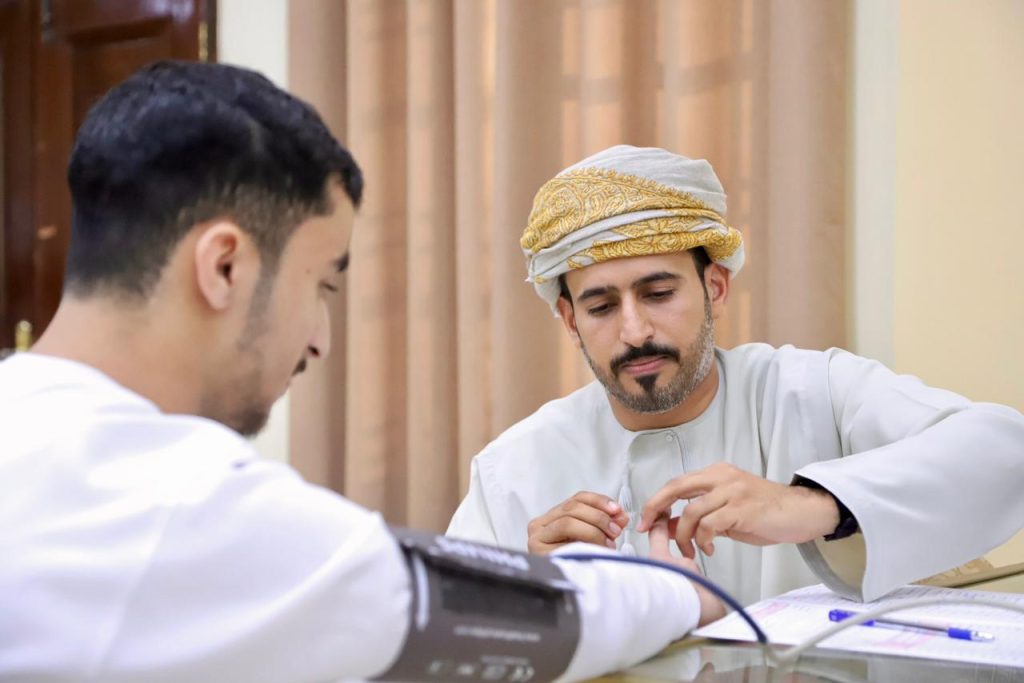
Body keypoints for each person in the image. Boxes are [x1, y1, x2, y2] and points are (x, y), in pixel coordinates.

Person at [0, 65, 725, 682]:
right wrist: (678, 591)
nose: (319, 340)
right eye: (321, 284)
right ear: (223, 267)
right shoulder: (173, 503)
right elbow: (430, 602)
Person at [447, 144, 1024, 606]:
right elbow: (442, 644)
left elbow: (1004, 452)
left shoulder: (811, 391)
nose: (634, 331)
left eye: (658, 293)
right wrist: (531, 599)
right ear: (571, 320)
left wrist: (813, 505)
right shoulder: (513, 470)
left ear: (715, 287)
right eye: (600, 307)